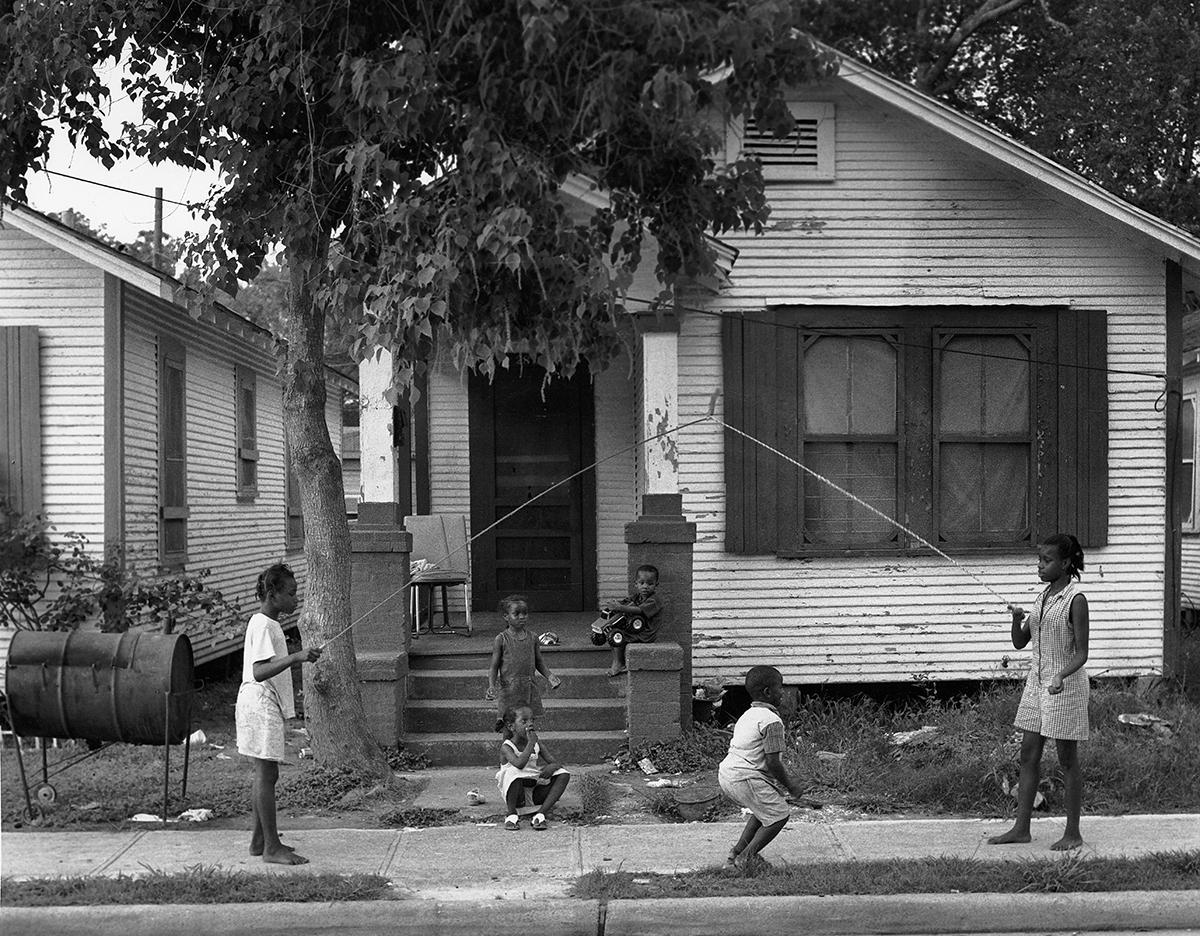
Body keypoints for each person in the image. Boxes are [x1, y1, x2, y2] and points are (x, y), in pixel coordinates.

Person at [989, 533, 1090, 851]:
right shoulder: (1042, 598)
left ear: (1065, 563)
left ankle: (1073, 833)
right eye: (1038, 560)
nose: (1040, 566)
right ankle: (1021, 829)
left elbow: (1082, 654)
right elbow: (1020, 642)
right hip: (1037, 685)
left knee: (1067, 760)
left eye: (1046, 561)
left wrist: (1061, 675)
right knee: (1028, 755)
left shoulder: (1076, 600)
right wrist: (1017, 620)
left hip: (1065, 687)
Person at [234, 563, 322, 865]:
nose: (296, 599)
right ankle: (271, 847)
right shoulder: (262, 624)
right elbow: (259, 671)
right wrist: (297, 657)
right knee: (266, 774)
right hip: (259, 702)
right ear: (272, 594)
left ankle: (260, 841)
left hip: (262, 703)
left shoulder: (268, 624)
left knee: (267, 773)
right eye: (291, 594)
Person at [717, 665, 806, 870]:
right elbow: (773, 762)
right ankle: (745, 859)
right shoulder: (772, 721)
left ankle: (736, 853)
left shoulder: (748, 715)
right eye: (780, 688)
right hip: (745, 776)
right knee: (779, 814)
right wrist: (791, 786)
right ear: (768, 692)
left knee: (762, 812)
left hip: (729, 774)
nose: (782, 692)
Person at [494, 703, 571, 830]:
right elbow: (519, 764)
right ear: (511, 726)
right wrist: (531, 743)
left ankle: (540, 814)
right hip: (516, 795)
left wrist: (552, 766)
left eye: (532, 720)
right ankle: (511, 815)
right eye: (524, 721)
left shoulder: (536, 743)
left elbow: (555, 762)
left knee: (563, 774)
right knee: (513, 772)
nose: (530, 724)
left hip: (534, 793)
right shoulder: (507, 747)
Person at [486, 594, 560, 718]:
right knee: (509, 724)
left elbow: (539, 662)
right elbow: (494, 667)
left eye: (525, 613)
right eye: (517, 614)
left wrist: (550, 676)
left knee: (528, 723)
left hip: (528, 689)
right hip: (509, 690)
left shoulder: (533, 638)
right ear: (506, 616)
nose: (522, 617)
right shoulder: (501, 639)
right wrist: (491, 686)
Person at [601, 564, 663, 676]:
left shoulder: (654, 600)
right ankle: (618, 661)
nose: (645, 586)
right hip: (635, 629)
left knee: (617, 635)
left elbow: (639, 610)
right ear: (636, 584)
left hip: (646, 633)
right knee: (612, 631)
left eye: (650, 584)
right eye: (642, 583)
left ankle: (618, 664)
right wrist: (616, 604)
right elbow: (626, 602)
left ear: (656, 585)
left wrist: (620, 608)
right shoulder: (637, 597)